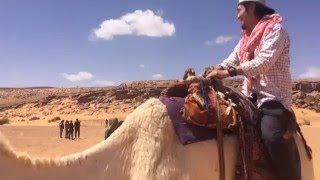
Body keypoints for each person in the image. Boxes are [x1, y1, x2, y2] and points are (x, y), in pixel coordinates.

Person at [203, 0, 301, 179]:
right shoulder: (245, 40)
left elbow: (263, 62)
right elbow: (231, 60)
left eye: (239, 9)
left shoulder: (276, 31)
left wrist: (228, 72)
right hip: (248, 96)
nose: (237, 15)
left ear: (252, 7)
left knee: (272, 136)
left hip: (273, 98)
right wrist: (214, 70)